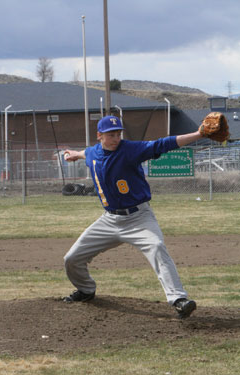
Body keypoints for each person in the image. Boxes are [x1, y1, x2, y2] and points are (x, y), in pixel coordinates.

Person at [63, 115, 203, 319]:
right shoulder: (93, 151)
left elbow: (163, 144)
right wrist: (74, 154)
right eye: (111, 134)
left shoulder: (130, 150)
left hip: (139, 218)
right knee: (71, 258)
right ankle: (86, 290)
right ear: (99, 136)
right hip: (109, 220)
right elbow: (86, 153)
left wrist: (199, 134)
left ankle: (179, 299)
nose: (116, 138)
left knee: (156, 247)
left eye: (118, 133)